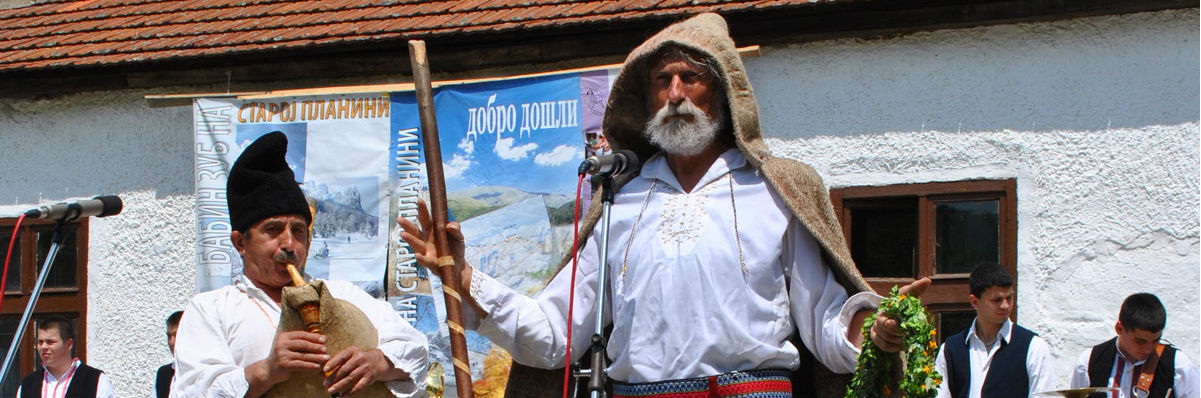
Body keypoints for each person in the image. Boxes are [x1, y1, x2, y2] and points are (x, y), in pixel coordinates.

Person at [399, 12, 928, 396]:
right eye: (661, 80)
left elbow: (825, 320)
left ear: (721, 92)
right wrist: (464, 278)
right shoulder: (619, 202)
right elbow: (556, 337)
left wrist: (873, 330)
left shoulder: (777, 190)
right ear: (646, 98)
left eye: (690, 77)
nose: (674, 92)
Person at [172, 131, 429, 398]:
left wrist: (376, 362)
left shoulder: (341, 295)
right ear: (240, 242)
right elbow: (193, 391)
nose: (289, 244)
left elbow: (416, 349)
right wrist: (266, 371)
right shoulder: (211, 310)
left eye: (298, 230)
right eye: (273, 230)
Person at [933, 262, 1055, 398]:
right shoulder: (950, 349)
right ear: (975, 302)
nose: (1005, 305)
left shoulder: (1033, 347)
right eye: (997, 300)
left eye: (1009, 298)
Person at [1070, 293, 1199, 398]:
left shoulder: (1178, 365)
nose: (1149, 349)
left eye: (1155, 340)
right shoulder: (1088, 362)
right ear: (1119, 329)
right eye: (1140, 341)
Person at [17, 317, 116, 398]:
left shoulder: (95, 381)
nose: (43, 347)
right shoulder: (28, 385)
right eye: (40, 342)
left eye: (50, 342)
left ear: (69, 344)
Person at [155, 310, 183, 398]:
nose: (171, 342)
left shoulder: (206, 373)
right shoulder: (164, 374)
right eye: (169, 336)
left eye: (176, 335)